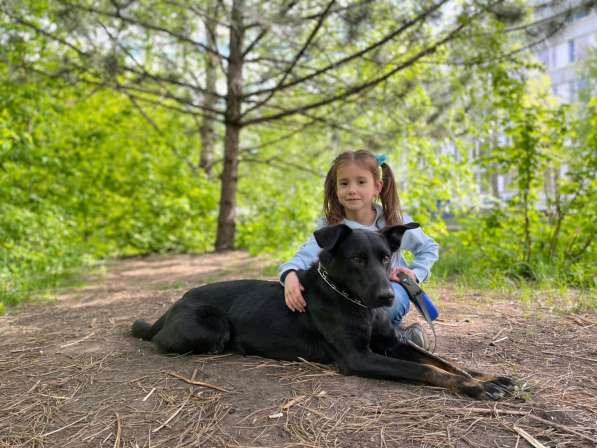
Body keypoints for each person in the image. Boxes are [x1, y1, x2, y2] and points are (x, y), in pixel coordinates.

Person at [278, 150, 439, 348]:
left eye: (361, 182)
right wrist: (290, 275)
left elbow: (429, 248)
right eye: (344, 183)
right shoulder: (333, 227)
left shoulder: (393, 221)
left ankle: (395, 336)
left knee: (392, 303)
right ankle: (354, 343)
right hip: (352, 297)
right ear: (335, 188)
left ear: (377, 187)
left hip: (388, 290)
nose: (351, 190)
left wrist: (416, 273)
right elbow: (303, 257)